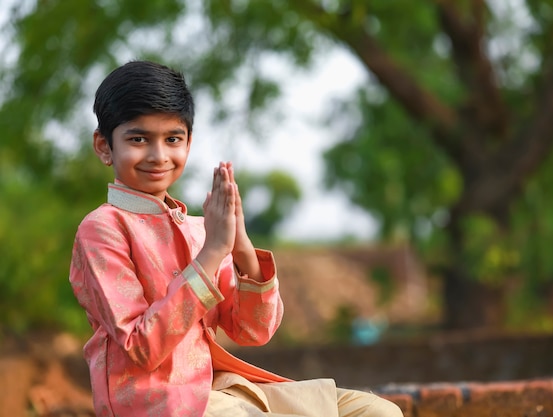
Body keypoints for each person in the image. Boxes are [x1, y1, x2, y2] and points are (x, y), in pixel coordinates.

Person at [69, 60, 402, 417]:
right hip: (154, 403)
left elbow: (253, 331)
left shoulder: (201, 229)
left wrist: (240, 244)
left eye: (172, 139)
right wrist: (212, 253)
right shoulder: (102, 229)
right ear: (104, 146)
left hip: (220, 389)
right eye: (138, 139)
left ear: (188, 143)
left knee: (377, 412)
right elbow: (142, 347)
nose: (158, 155)